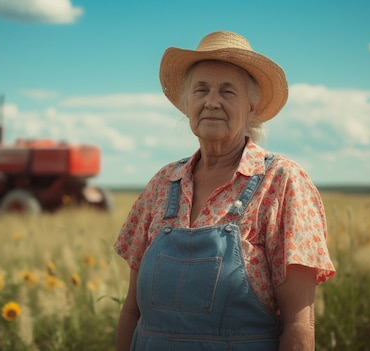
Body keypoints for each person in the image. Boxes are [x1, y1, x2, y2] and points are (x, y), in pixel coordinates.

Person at [113, 31, 336, 351]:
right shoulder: (162, 184)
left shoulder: (281, 181)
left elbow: (298, 323)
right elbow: (131, 311)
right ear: (188, 103)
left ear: (252, 106)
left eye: (227, 91)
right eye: (201, 89)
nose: (212, 101)